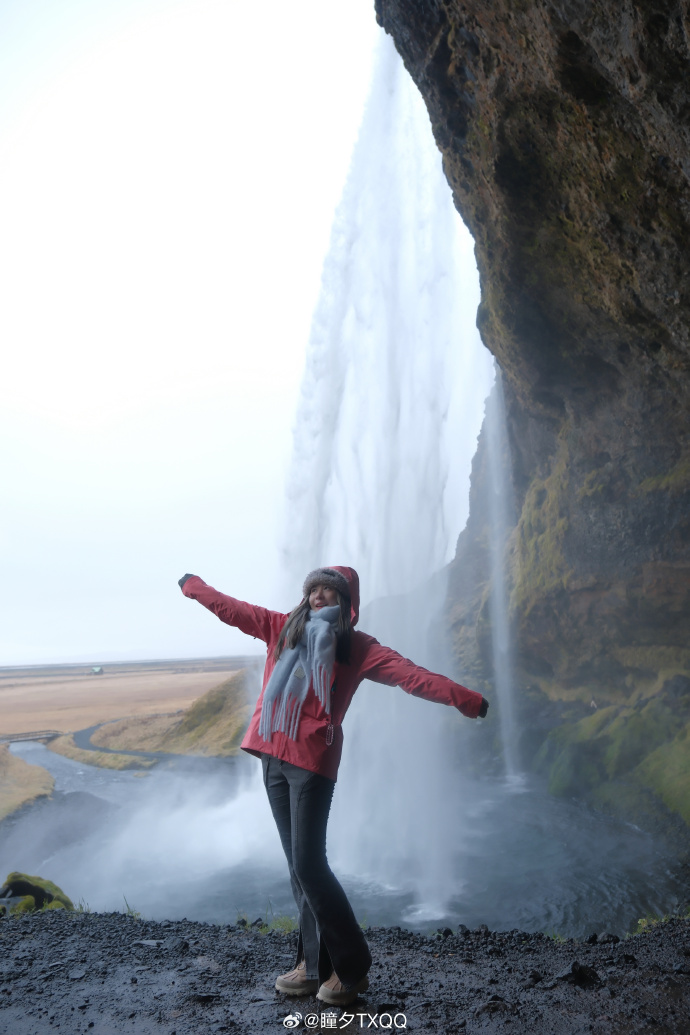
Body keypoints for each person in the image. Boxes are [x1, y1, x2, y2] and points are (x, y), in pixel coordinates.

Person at [178, 566, 488, 1006]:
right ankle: (312, 965)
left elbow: (409, 675)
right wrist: (195, 588)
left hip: (312, 763)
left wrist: (467, 700)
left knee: (309, 864)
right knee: (296, 868)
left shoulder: (356, 647)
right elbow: (232, 610)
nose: (319, 596)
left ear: (347, 603)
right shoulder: (281, 627)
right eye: (314, 590)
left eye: (329, 591)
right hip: (271, 756)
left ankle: (353, 967)